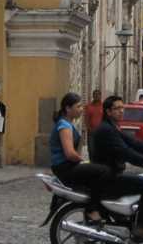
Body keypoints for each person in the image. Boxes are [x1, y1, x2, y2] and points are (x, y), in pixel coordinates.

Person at [90, 95, 143, 242]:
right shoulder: (106, 130)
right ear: (108, 111)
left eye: (122, 107)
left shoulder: (111, 127)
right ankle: (142, 227)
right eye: (117, 108)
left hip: (111, 174)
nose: (121, 111)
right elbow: (125, 152)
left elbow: (132, 142)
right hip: (109, 178)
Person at [46, 93, 109, 224]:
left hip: (66, 165)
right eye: (78, 106)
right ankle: (92, 210)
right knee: (104, 171)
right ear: (68, 108)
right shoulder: (64, 126)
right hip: (65, 167)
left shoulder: (68, 123)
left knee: (96, 173)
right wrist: (83, 161)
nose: (82, 109)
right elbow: (69, 153)